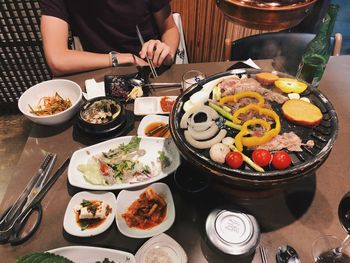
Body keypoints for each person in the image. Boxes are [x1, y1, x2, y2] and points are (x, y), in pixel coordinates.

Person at [40, 1, 180, 76]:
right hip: (102, 72)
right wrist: (124, 59)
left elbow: (170, 29)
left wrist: (167, 54)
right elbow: (56, 59)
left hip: (151, 69)